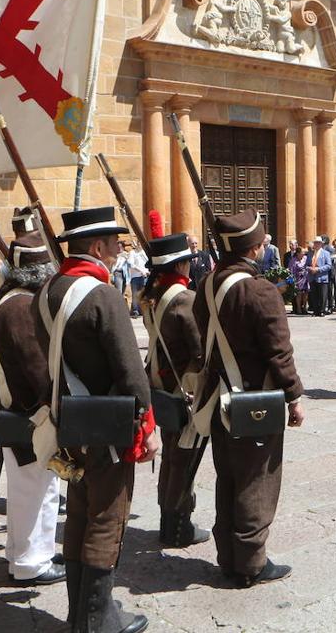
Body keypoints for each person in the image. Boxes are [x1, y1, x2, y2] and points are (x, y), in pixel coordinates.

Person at [33, 206, 158, 632]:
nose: (119, 253)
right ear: (97, 246)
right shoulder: (101, 294)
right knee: (107, 515)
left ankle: (82, 611)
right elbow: (130, 371)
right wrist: (148, 426)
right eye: (116, 245)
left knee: (81, 513)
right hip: (107, 422)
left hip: (68, 419)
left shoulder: (49, 289)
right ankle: (95, 621)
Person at [192, 209, 305, 589]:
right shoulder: (259, 290)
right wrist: (294, 397)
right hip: (254, 400)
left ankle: (229, 555)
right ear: (255, 249)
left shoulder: (207, 285)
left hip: (216, 400)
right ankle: (251, 562)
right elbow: (279, 351)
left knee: (228, 476)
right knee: (258, 478)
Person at [0, 233, 65, 586]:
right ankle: (32, 562)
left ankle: (22, 554)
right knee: (38, 488)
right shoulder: (21, 307)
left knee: (27, 488)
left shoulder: (10, 298)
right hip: (28, 411)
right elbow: (36, 367)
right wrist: (53, 404)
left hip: (17, 409)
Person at [140, 229, 211, 547]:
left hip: (159, 385)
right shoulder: (185, 300)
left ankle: (168, 521)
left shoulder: (153, 297)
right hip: (184, 391)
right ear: (181, 266)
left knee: (171, 457)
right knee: (183, 458)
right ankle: (178, 525)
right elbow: (199, 350)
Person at [307, 237, 332, 317]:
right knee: (314, 295)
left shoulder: (326, 253)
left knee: (322, 295)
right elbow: (306, 265)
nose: (316, 244)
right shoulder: (310, 253)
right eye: (315, 243)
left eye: (318, 243)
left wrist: (318, 269)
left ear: (321, 244)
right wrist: (309, 268)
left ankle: (322, 310)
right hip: (312, 277)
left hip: (322, 277)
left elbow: (329, 265)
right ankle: (315, 311)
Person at [126, 240, 148, 318]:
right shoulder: (133, 253)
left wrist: (147, 271)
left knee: (144, 294)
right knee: (135, 294)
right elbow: (131, 264)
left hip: (145, 276)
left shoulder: (144, 253)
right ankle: (135, 310)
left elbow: (148, 263)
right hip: (135, 276)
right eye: (139, 243)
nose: (140, 245)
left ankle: (143, 310)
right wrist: (140, 270)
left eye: (141, 243)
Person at [288, 244, 309, 315]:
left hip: (305, 278)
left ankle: (305, 308)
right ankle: (299, 308)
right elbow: (291, 270)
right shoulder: (293, 260)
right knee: (299, 294)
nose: (303, 253)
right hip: (297, 279)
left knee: (305, 293)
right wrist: (292, 280)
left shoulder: (306, 258)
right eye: (302, 252)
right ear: (298, 253)